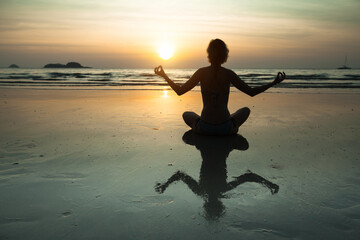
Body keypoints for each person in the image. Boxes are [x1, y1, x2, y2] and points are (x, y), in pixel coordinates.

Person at [154, 39, 286, 135]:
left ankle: (199, 126)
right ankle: (230, 124)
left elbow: (179, 91)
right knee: (245, 110)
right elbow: (251, 92)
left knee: (186, 114)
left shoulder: (202, 72)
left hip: (205, 128)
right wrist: (273, 83)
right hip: (226, 129)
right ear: (225, 55)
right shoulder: (228, 74)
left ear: (209, 55)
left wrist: (164, 75)